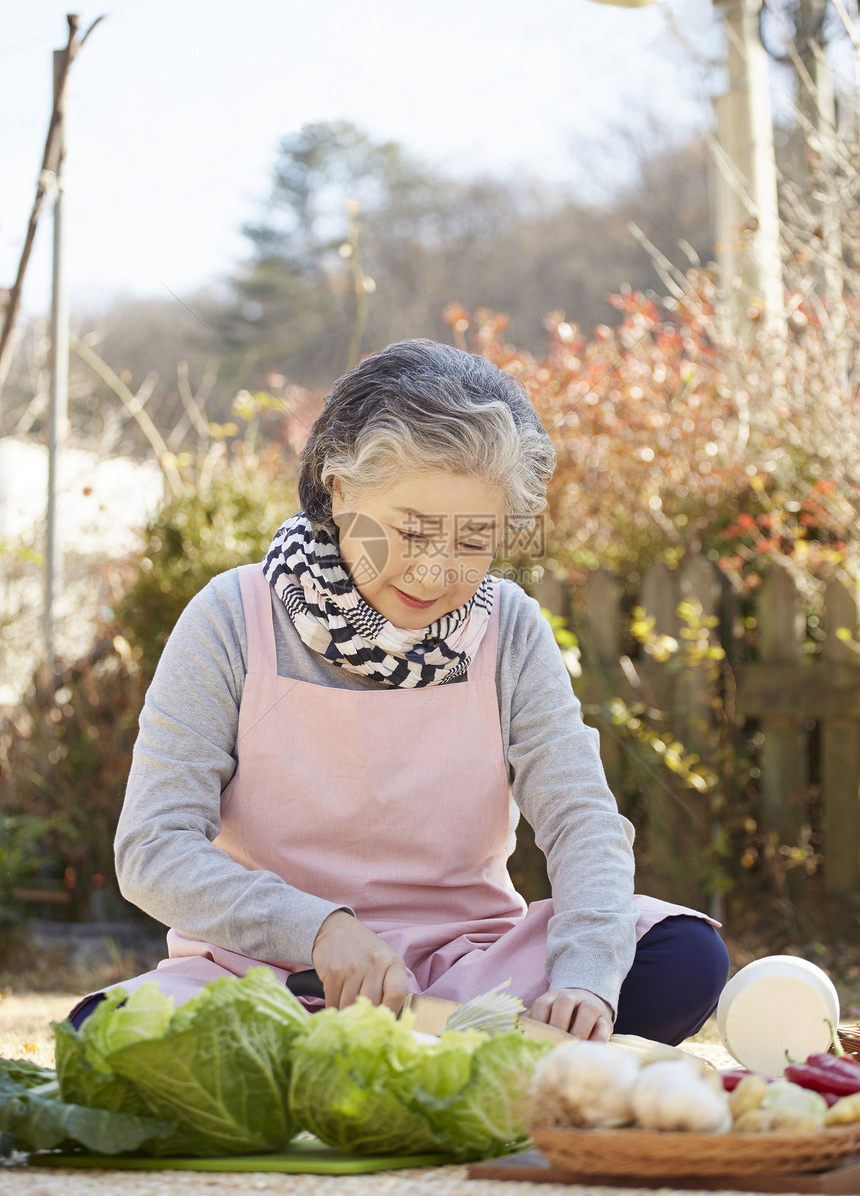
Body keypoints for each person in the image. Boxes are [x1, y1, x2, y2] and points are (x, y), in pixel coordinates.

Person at [70, 339, 728, 1042]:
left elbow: (582, 823)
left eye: (474, 540)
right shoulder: (232, 616)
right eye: (411, 531)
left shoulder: (511, 631)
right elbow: (154, 847)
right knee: (103, 1032)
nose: (436, 571)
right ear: (341, 490)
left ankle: (389, 1058)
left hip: (471, 972)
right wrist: (318, 928)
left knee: (684, 958)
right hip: (273, 977)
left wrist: (586, 981)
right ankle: (445, 1060)